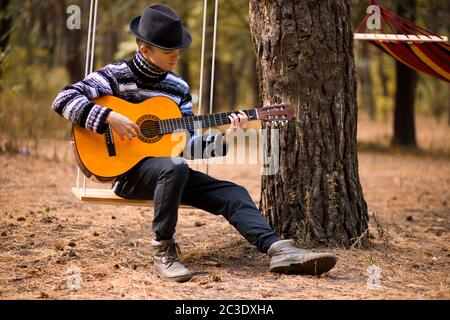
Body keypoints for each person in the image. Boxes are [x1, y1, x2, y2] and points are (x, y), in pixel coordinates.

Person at [52, 4, 337, 283]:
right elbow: (63, 100)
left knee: (232, 192)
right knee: (174, 168)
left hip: (169, 173)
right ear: (145, 50)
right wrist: (109, 117)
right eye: (168, 50)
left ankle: (279, 250)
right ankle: (164, 252)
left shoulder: (178, 88)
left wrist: (228, 138)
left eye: (178, 48)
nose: (176, 54)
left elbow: (188, 146)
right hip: (126, 173)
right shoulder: (115, 76)